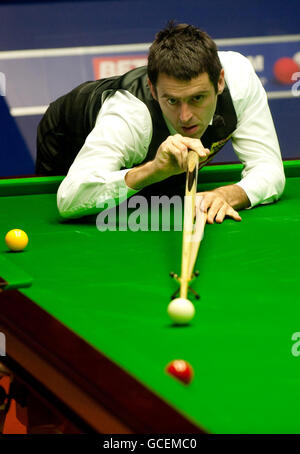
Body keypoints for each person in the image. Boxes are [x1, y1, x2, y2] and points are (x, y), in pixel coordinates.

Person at [36, 22, 285, 223]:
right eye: (173, 101)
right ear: (153, 91)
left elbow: (269, 169)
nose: (185, 116)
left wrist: (228, 194)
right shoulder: (129, 115)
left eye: (197, 98)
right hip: (68, 139)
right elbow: (69, 199)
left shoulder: (239, 81)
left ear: (219, 82)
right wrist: (154, 169)